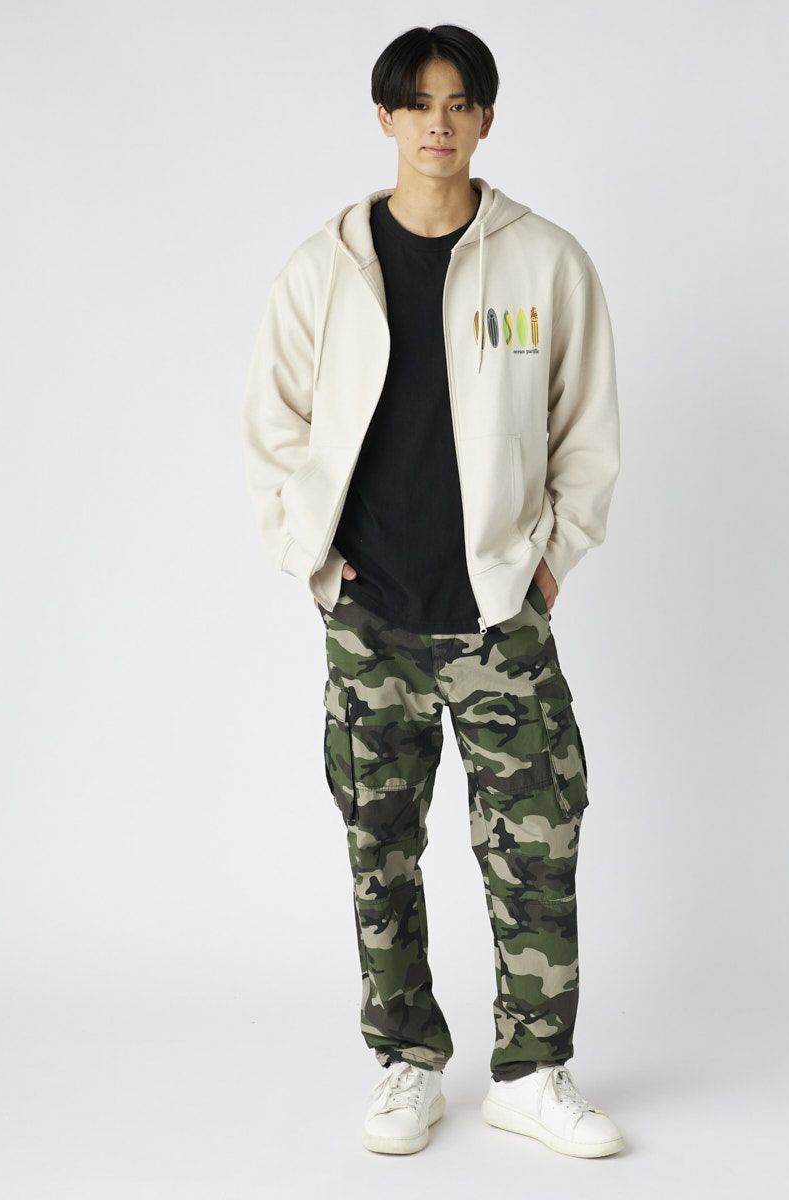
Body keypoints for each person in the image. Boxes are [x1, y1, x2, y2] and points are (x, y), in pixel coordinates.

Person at [241, 24, 622, 1158]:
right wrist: (314, 559)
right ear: (386, 119)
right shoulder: (324, 268)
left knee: (537, 844)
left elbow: (586, 432)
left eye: (458, 104)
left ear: (487, 118)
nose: (437, 124)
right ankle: (407, 1063)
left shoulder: (545, 262)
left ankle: (533, 1074)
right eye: (417, 104)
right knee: (380, 846)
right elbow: (272, 427)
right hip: (370, 618)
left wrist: (547, 562)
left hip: (498, 614)